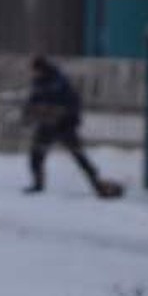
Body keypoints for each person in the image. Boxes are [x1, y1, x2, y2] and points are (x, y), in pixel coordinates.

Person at [22, 55, 120, 198]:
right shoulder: (38, 83)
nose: (33, 73)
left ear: (41, 69)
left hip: (64, 125)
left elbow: (72, 103)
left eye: (34, 70)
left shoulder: (58, 81)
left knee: (78, 155)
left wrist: (67, 117)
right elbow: (33, 101)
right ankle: (38, 184)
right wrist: (28, 114)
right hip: (47, 124)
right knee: (36, 154)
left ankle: (98, 184)